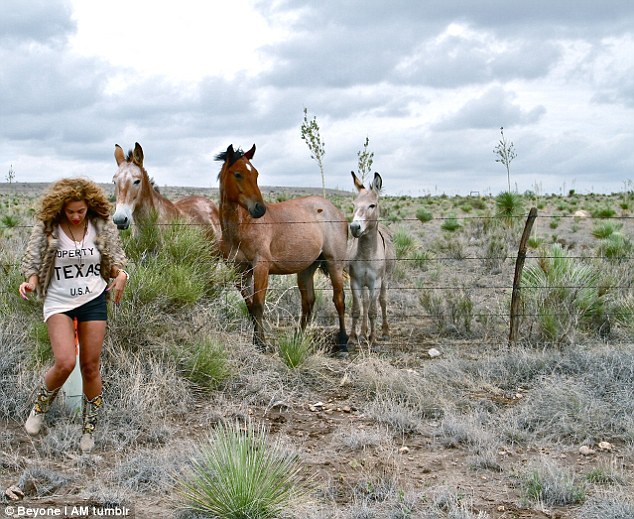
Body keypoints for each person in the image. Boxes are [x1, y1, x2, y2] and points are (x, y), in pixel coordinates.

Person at [19, 177, 128, 453]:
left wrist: (122, 274)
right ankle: (39, 409)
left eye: (81, 211)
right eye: (71, 212)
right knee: (65, 361)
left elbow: (115, 261)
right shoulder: (48, 226)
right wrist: (30, 282)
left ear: (89, 206)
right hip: (59, 301)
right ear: (60, 209)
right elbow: (32, 261)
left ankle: (89, 429)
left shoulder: (101, 224)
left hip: (93, 298)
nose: (77, 216)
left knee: (90, 366)